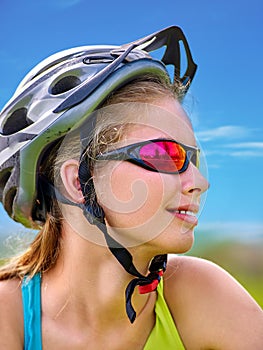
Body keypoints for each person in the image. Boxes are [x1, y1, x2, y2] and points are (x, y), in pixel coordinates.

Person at [0, 25, 262, 350]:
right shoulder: (6, 317)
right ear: (78, 184)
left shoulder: (201, 295)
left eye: (193, 158)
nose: (200, 182)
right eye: (165, 154)